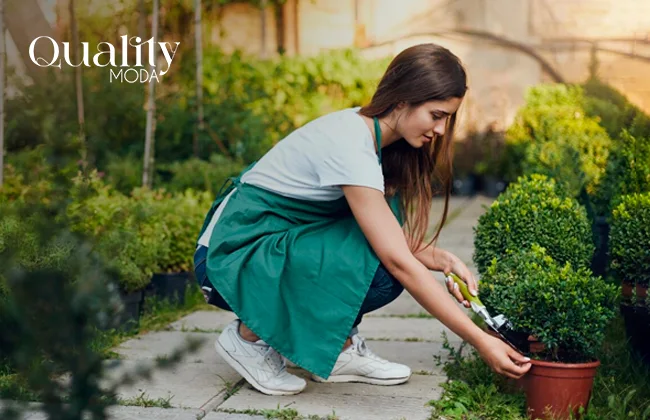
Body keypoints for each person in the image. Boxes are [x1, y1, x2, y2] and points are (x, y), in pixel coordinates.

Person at [193, 43, 531, 396]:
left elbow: (386, 231)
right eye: (436, 115)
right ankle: (248, 338)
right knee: (383, 271)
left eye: (447, 118)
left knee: (380, 251)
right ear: (402, 101)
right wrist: (480, 339)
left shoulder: (375, 138)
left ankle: (337, 349)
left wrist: (441, 258)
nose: (443, 130)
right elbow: (396, 259)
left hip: (265, 247)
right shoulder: (351, 144)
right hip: (227, 258)